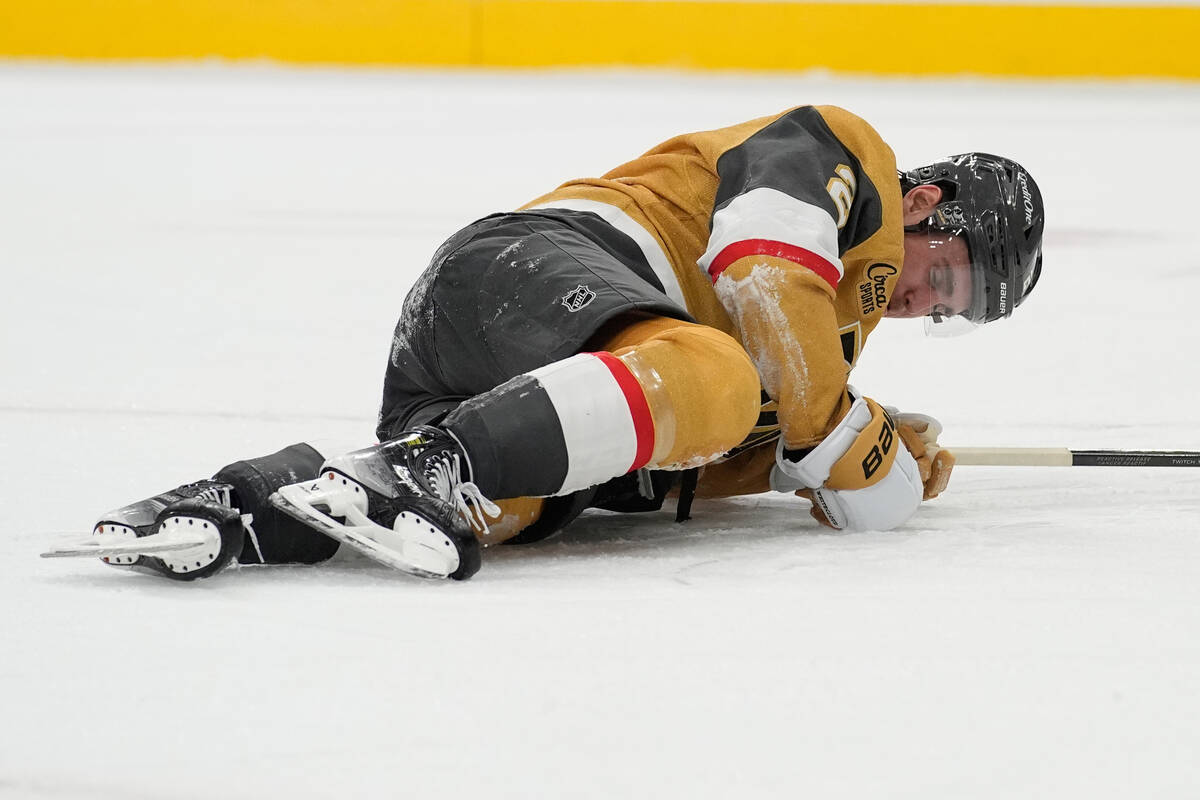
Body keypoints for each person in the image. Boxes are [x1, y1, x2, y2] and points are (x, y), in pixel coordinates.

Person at [65, 104, 1044, 582]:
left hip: (511, 369)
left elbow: (680, 459)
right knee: (711, 369)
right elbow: (760, 263)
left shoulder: (828, 337)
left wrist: (811, 461)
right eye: (946, 274)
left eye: (951, 309)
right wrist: (835, 433)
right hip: (525, 266)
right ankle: (439, 463)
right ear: (928, 200)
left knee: (519, 501)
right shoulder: (848, 150)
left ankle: (259, 499)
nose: (927, 302)